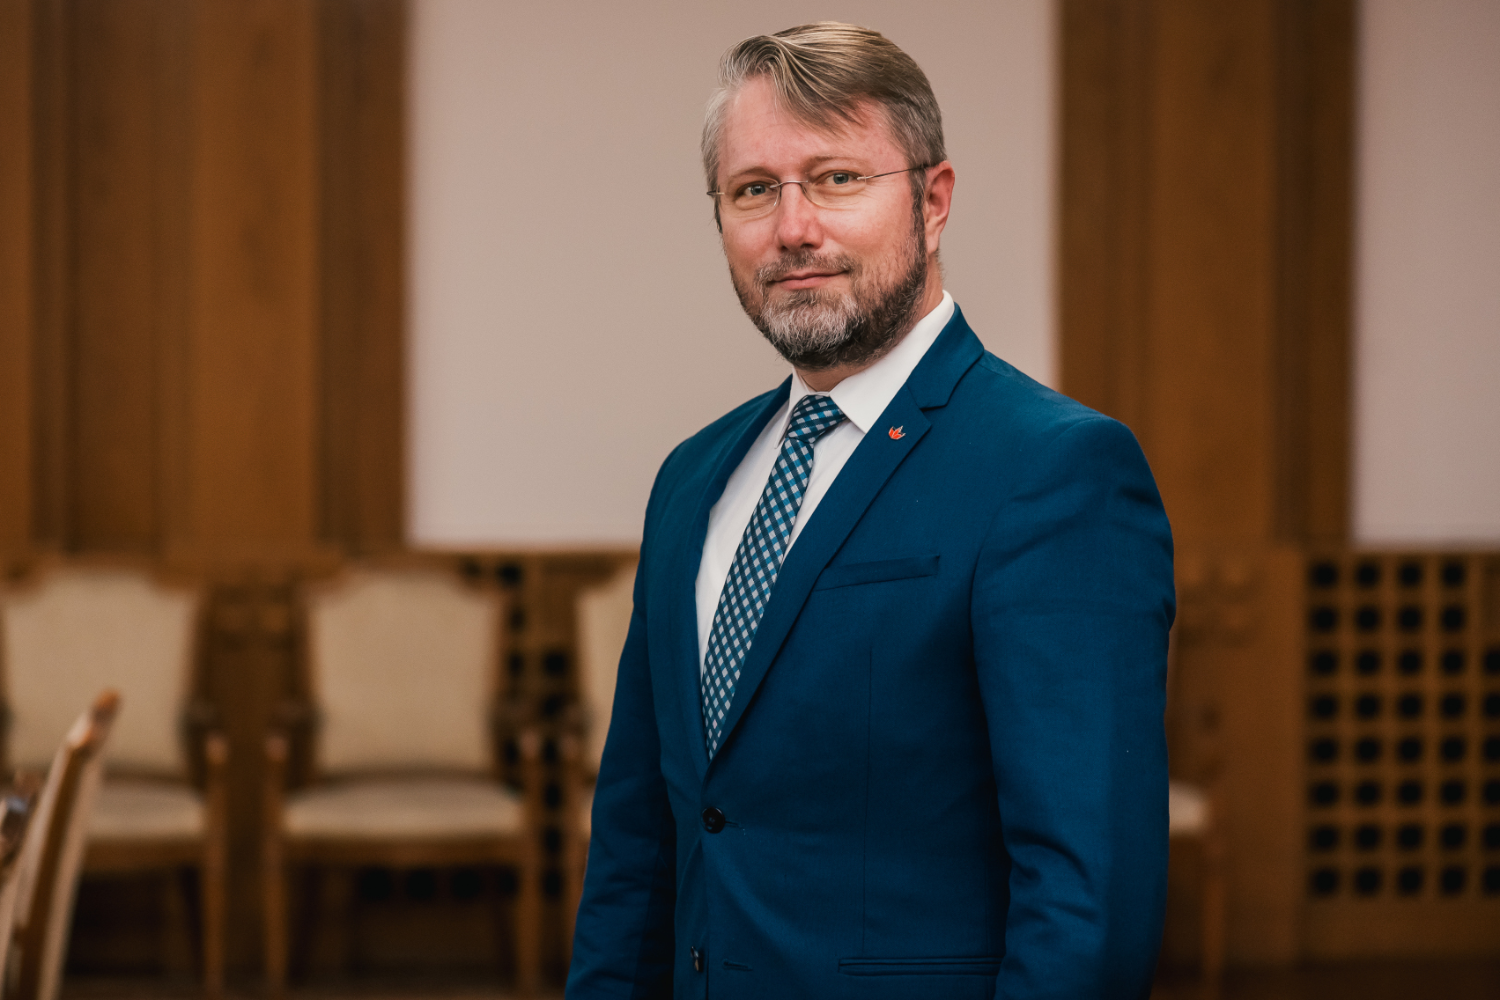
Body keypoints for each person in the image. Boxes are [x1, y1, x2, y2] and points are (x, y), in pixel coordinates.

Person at [567, 22, 1174, 1000]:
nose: (792, 227)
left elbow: (1087, 899)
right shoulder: (692, 478)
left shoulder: (1056, 470)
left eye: (837, 178)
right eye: (753, 190)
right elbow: (640, 843)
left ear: (933, 201)